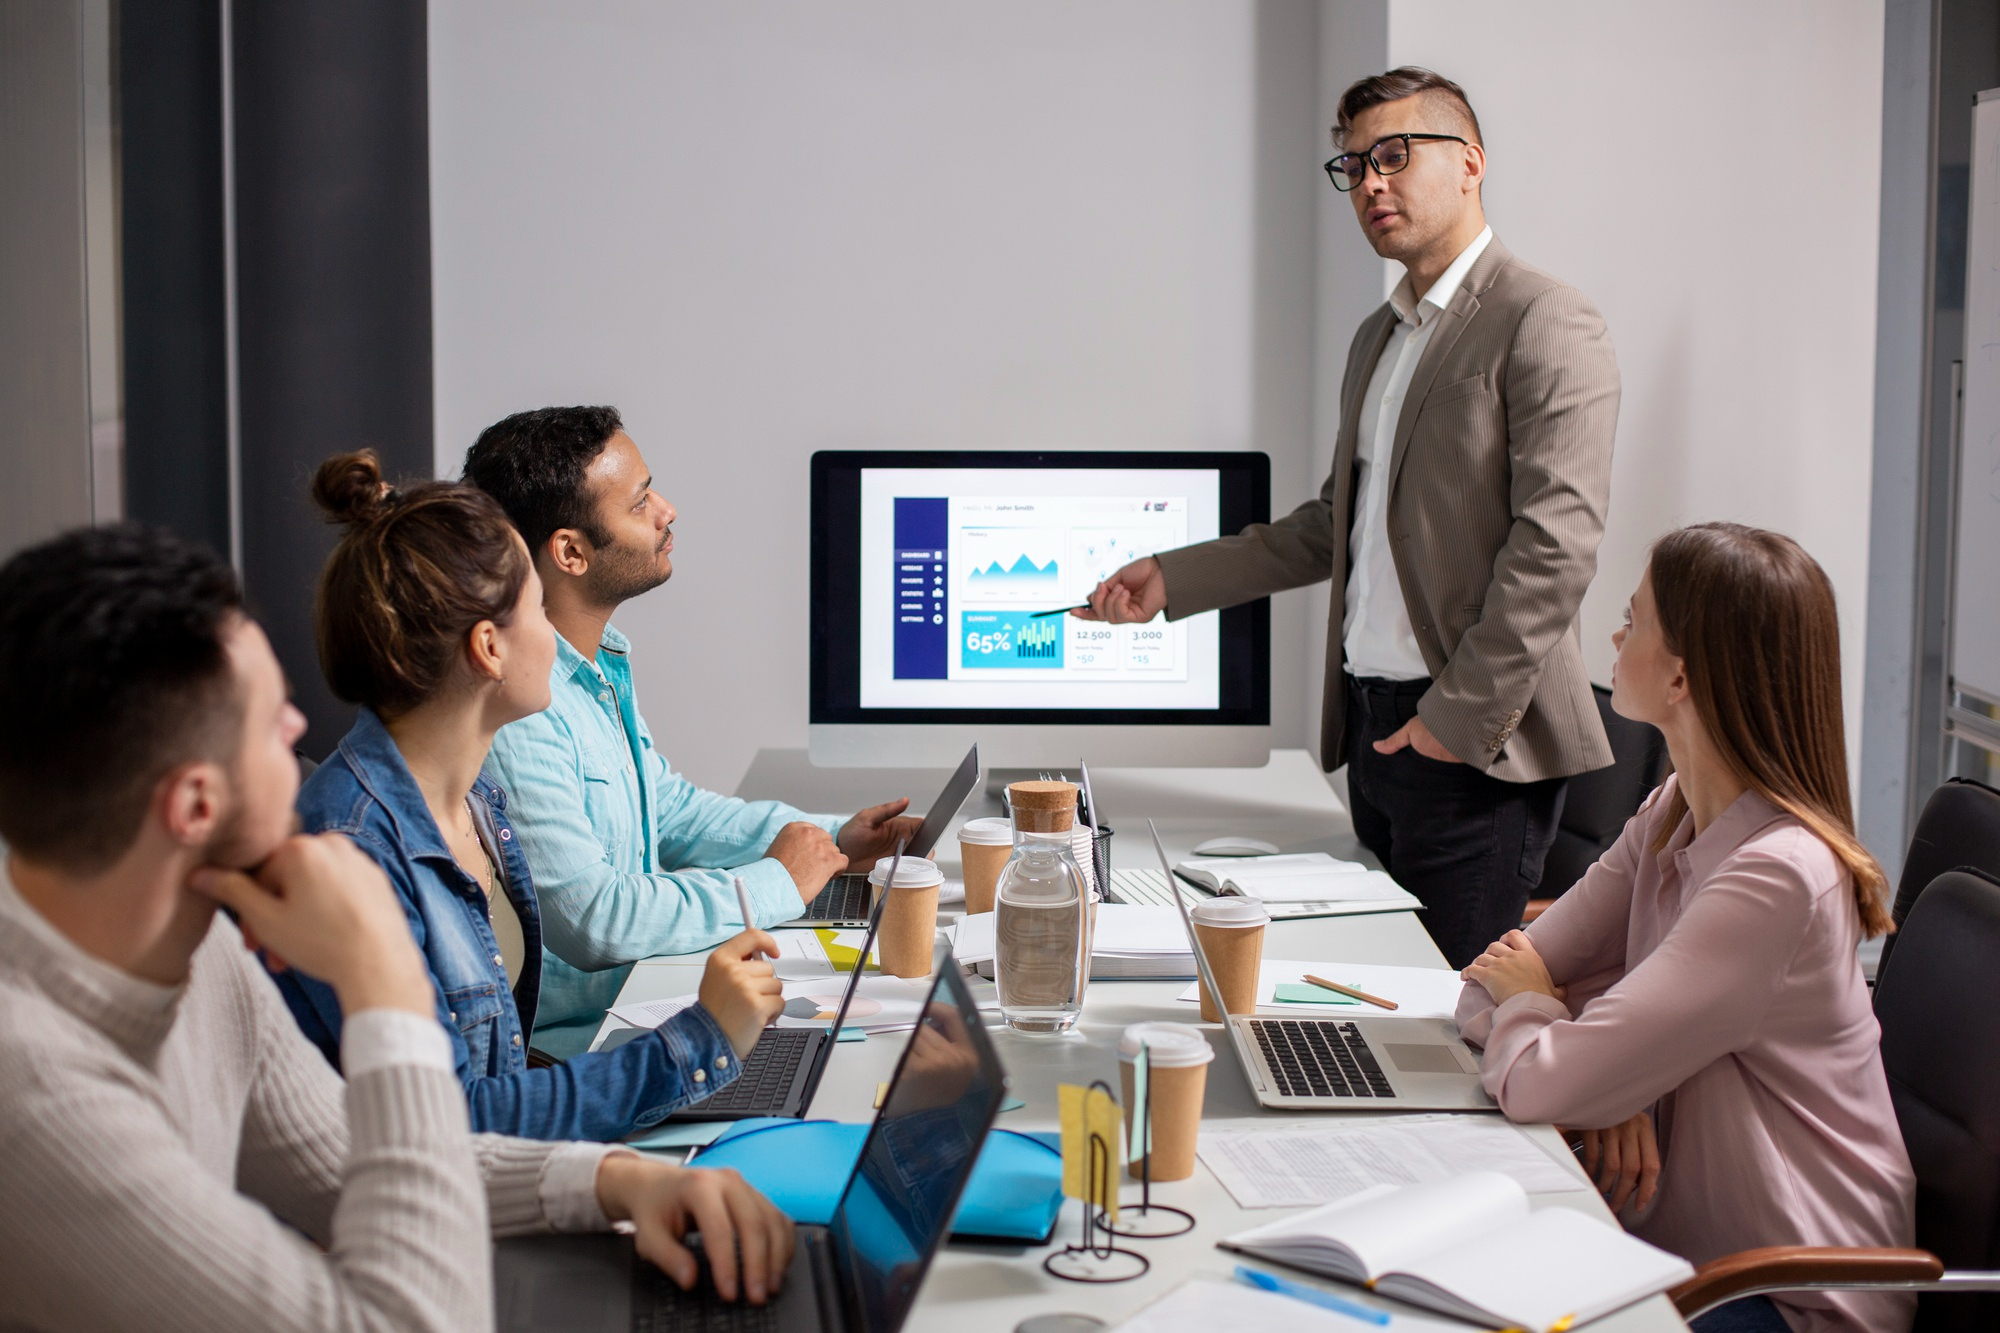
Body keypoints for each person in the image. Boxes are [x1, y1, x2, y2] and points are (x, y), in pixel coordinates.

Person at [0, 524, 794, 1331]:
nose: (299, 732)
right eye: (270, 722)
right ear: (195, 808)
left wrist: (616, 1181)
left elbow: (357, 1157)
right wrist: (381, 979)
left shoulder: (200, 943)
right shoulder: (38, 1109)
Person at [1078, 67, 1620, 968]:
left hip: (1470, 744)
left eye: (1394, 156)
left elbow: (1556, 545)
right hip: (1373, 733)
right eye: (1355, 165)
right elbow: (1338, 524)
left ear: (1471, 162)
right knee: (1370, 995)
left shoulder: (1545, 318)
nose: (1370, 182)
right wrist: (1174, 577)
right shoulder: (1381, 337)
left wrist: (1453, 720)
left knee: (1445, 1017)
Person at [1458, 523, 1915, 1333]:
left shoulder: (1780, 878)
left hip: (1787, 1293)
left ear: (1680, 676)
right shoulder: (1673, 809)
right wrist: (1611, 1084)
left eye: (1632, 619)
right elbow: (1482, 990)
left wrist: (1593, 1067)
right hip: (1681, 1253)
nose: (1614, 637)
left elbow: (1537, 1079)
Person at [278, 451, 788, 1142]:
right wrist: (700, 1037)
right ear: (489, 648)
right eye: (536, 611)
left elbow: (499, 1073)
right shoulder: (357, 848)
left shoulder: (475, 802)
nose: (554, 633)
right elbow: (455, 1122)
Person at [463, 405, 922, 1051]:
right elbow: (595, 918)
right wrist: (778, 882)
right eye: (640, 501)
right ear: (570, 551)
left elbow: (669, 812)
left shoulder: (595, 667)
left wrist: (834, 837)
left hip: (642, 1003)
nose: (667, 511)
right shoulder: (520, 710)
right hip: (582, 1047)